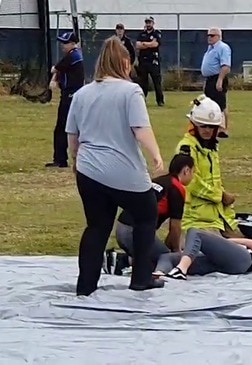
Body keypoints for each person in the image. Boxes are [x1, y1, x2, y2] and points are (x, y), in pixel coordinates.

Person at [65, 36, 165, 295]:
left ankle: (85, 285)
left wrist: (75, 159)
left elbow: (72, 135)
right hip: (123, 170)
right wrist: (156, 155)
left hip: (89, 171)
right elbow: (140, 128)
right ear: (123, 62)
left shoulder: (82, 94)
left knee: (96, 226)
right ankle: (141, 277)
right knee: (145, 215)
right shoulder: (130, 91)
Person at [112, 153, 195, 275]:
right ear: (186, 170)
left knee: (149, 254)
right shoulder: (176, 188)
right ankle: (124, 262)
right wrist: (177, 251)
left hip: (121, 227)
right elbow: (175, 227)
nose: (193, 176)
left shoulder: (158, 181)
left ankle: (118, 260)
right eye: (193, 172)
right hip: (133, 231)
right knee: (167, 258)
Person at [176, 94, 241, 237]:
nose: (207, 130)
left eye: (212, 127)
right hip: (195, 220)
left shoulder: (211, 148)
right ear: (194, 124)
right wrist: (220, 196)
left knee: (249, 249)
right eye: (203, 126)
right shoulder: (187, 148)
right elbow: (191, 183)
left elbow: (215, 181)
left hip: (217, 217)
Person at [154, 228, 252, 279]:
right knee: (168, 257)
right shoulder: (230, 250)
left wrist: (227, 241)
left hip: (242, 262)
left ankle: (181, 269)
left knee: (195, 233)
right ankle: (160, 273)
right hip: (217, 264)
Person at [46, 31, 84, 168]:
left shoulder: (73, 56)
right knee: (71, 127)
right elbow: (59, 71)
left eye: (65, 43)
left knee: (63, 127)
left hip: (70, 95)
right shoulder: (72, 56)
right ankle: (63, 158)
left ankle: (61, 159)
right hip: (71, 94)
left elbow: (54, 69)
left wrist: (54, 76)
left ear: (72, 43)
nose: (63, 46)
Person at [200, 27, 232, 138]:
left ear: (219, 37)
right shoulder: (210, 48)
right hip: (209, 79)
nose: (209, 38)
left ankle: (222, 129)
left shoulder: (222, 48)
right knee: (210, 104)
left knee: (220, 104)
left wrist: (220, 80)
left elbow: (225, 66)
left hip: (217, 78)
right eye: (208, 35)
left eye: (212, 36)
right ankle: (212, 127)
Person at [135, 16, 164, 106]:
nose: (148, 24)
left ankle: (160, 101)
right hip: (143, 61)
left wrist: (144, 43)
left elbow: (155, 44)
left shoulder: (156, 33)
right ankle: (142, 100)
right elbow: (137, 45)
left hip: (153, 61)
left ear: (153, 23)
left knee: (156, 82)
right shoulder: (141, 34)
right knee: (143, 82)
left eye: (150, 22)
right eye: (147, 22)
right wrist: (149, 44)